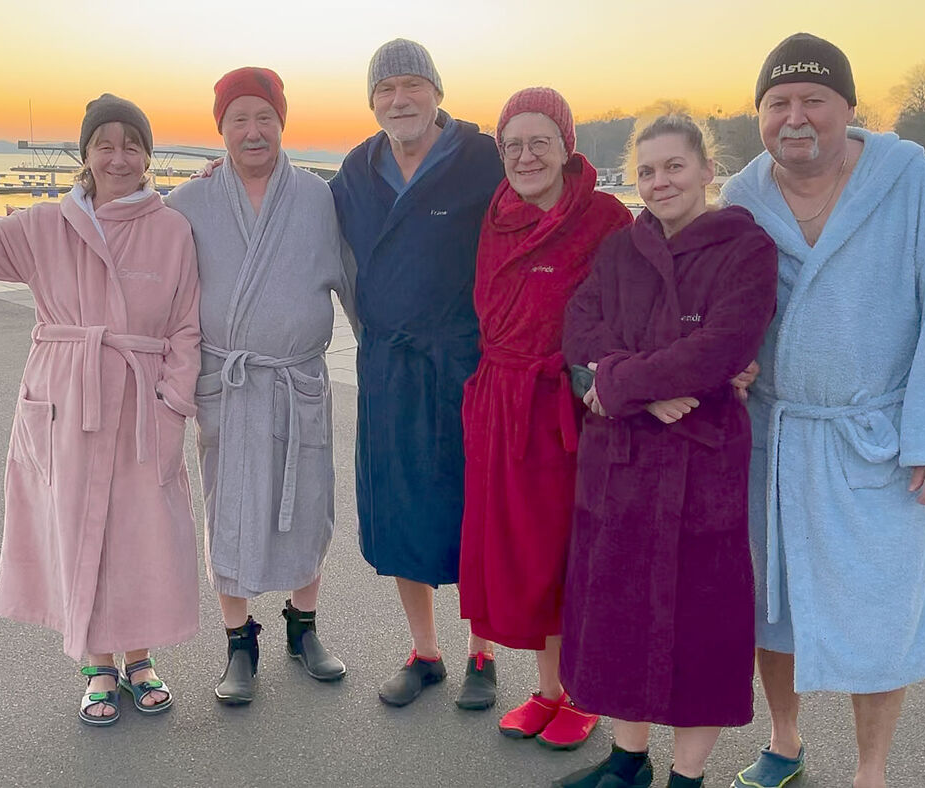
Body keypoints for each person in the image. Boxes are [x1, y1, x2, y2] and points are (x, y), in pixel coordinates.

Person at [719, 33, 925, 788]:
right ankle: (784, 741)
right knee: (769, 604)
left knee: (880, 611)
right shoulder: (742, 198)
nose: (796, 117)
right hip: (772, 438)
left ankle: (870, 770)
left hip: (875, 440)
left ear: (848, 107)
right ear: (760, 115)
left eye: (814, 100)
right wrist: (719, 368)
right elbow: (710, 308)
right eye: (778, 102)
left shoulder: (909, 184)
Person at [0, 94, 203, 728]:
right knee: (76, 529)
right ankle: (96, 666)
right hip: (65, 399)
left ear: (148, 157)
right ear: (85, 154)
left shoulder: (172, 231)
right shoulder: (46, 225)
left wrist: (172, 402)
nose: (118, 157)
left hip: (141, 403)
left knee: (141, 535)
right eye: (104, 144)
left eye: (132, 145)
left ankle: (140, 658)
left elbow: (187, 326)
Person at [555, 113, 778, 788]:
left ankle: (687, 774)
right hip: (621, 462)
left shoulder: (746, 249)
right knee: (620, 614)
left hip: (702, 465)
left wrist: (617, 381)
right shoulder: (621, 250)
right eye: (647, 171)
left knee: (700, 627)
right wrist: (641, 394)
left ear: (708, 170)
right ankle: (628, 760)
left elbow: (722, 347)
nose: (660, 182)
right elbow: (579, 328)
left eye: (674, 166)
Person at [165, 67, 354, 705]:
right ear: (221, 129)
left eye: (264, 118)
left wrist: (385, 357)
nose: (253, 131)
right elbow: (159, 289)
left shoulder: (317, 198)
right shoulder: (189, 202)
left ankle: (304, 627)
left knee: (309, 504)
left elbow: (354, 279)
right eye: (239, 119)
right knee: (230, 509)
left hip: (297, 382)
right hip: (229, 384)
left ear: (282, 124)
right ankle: (238, 642)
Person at [329, 38, 505, 709]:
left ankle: (483, 651)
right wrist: (219, 179)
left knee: (475, 506)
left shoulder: (482, 157)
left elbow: (541, 207)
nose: (399, 99)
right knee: (400, 507)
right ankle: (426, 652)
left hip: (465, 359)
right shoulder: (357, 170)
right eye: (386, 89)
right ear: (372, 101)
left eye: (412, 85)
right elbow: (302, 216)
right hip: (389, 367)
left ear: (436, 92)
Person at [459, 87, 630, 749]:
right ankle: (549, 689)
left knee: (572, 556)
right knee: (525, 557)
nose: (525, 156)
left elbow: (641, 304)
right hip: (502, 405)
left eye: (540, 142)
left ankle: (586, 692)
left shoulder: (606, 217)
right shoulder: (495, 215)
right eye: (513, 145)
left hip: (573, 411)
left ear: (566, 146)